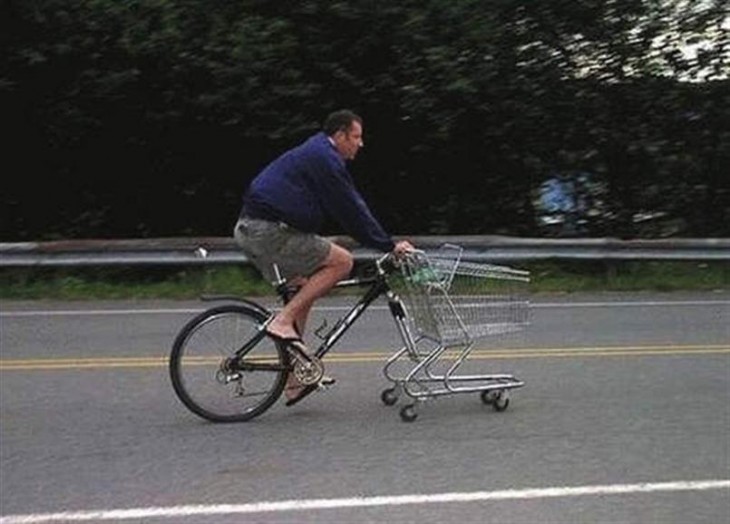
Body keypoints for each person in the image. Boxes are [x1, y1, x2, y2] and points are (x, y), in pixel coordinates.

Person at [234, 109, 414, 406]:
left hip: (257, 228)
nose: (361, 143)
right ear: (340, 135)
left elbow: (340, 209)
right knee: (342, 261)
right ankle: (283, 321)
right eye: (356, 136)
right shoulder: (325, 159)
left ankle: (294, 379)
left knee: (302, 288)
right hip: (265, 231)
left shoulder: (317, 152)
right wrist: (387, 245)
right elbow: (351, 210)